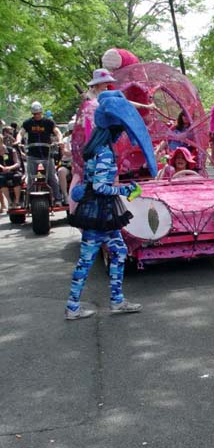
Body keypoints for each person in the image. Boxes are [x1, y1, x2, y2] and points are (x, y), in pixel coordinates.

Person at [65, 90, 155, 320]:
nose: (120, 137)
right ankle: (79, 305)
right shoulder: (105, 153)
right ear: (113, 131)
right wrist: (126, 189)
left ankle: (110, 301)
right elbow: (100, 188)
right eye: (119, 132)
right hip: (101, 213)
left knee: (116, 252)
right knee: (92, 258)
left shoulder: (94, 150)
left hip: (97, 213)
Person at [15, 101, 63, 203]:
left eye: (38, 113)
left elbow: (57, 132)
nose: (36, 115)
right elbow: (21, 133)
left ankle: (58, 198)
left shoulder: (48, 122)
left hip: (47, 154)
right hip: (32, 154)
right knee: (30, 178)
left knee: (52, 177)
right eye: (34, 114)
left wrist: (60, 140)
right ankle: (28, 201)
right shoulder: (28, 123)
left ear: (41, 112)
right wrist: (18, 140)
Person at [0, 137, 22, 211]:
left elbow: (17, 163)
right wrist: (2, 167)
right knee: (1, 179)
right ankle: (9, 202)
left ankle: (17, 201)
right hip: (2, 172)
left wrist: (10, 167)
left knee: (16, 177)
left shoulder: (11, 150)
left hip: (13, 171)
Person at [58, 122, 75, 204]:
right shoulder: (65, 140)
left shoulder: (84, 139)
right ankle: (65, 195)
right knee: (61, 171)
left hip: (79, 165)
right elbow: (65, 152)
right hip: (67, 163)